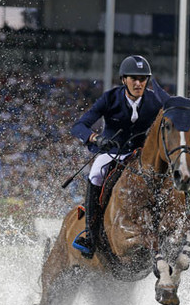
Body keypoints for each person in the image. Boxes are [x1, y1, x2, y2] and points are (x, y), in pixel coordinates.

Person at [70, 55, 163, 258]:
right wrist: (95, 139)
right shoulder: (110, 98)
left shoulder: (156, 101)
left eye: (143, 79)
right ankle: (90, 234)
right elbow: (79, 126)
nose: (138, 83)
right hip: (112, 152)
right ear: (124, 80)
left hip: (139, 156)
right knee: (95, 174)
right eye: (133, 79)